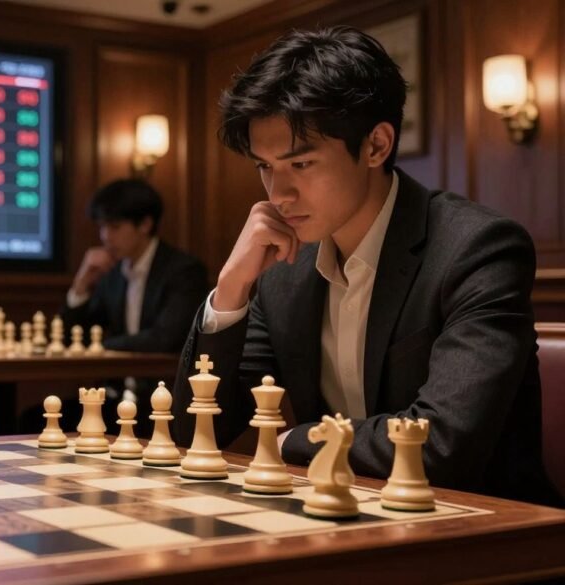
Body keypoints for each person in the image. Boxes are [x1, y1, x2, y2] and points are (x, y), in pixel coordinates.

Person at [172, 26, 562, 506]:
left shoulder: (477, 248)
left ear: (376, 146)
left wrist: (295, 438)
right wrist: (229, 292)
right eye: (264, 167)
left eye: (301, 164)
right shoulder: (284, 267)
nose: (278, 195)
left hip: (486, 534)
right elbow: (197, 428)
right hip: (343, 515)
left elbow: (439, 447)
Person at [43, 179, 207, 434]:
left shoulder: (183, 271)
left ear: (145, 224)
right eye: (102, 227)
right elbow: (70, 337)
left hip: (163, 401)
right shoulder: (112, 274)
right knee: (39, 420)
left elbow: (165, 338)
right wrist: (81, 285)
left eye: (115, 226)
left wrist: (102, 347)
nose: (105, 236)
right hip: (116, 399)